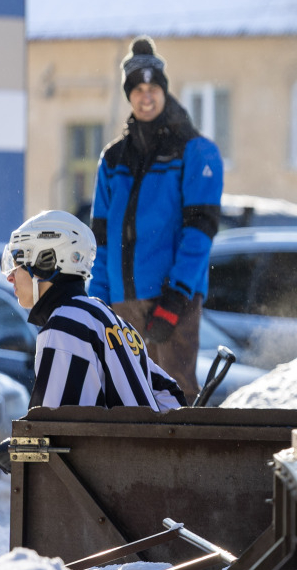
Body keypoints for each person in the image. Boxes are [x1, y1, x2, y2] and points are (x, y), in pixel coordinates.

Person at [90, 37, 223, 400]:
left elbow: (200, 231)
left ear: (163, 91)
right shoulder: (113, 159)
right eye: (137, 89)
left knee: (172, 398)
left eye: (152, 88)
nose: (145, 96)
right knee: (123, 401)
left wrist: (176, 299)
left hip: (168, 302)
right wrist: (97, 304)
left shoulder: (195, 151)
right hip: (120, 304)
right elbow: (100, 240)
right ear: (128, 95)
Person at [3, 211, 184, 414]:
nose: (10, 277)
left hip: (111, 447)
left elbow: (49, 430)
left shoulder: (63, 326)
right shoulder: (113, 320)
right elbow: (170, 395)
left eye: (18, 262)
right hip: (137, 445)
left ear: (45, 263)